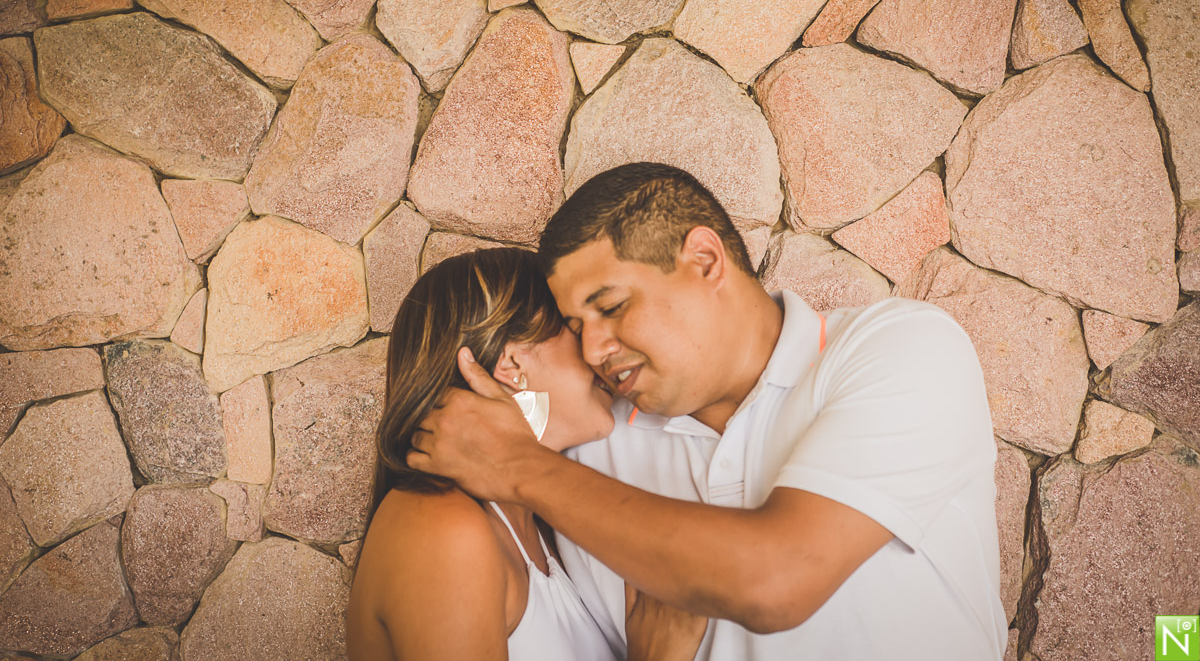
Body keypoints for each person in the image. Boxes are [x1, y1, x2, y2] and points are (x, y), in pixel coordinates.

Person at [408, 163, 1009, 660]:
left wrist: (519, 466)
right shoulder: (593, 436)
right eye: (574, 327)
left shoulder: (896, 349)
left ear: (703, 259)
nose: (593, 351)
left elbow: (777, 580)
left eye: (611, 307)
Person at [346, 247, 706, 661]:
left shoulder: (541, 528)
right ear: (512, 362)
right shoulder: (442, 527)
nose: (599, 352)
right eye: (574, 329)